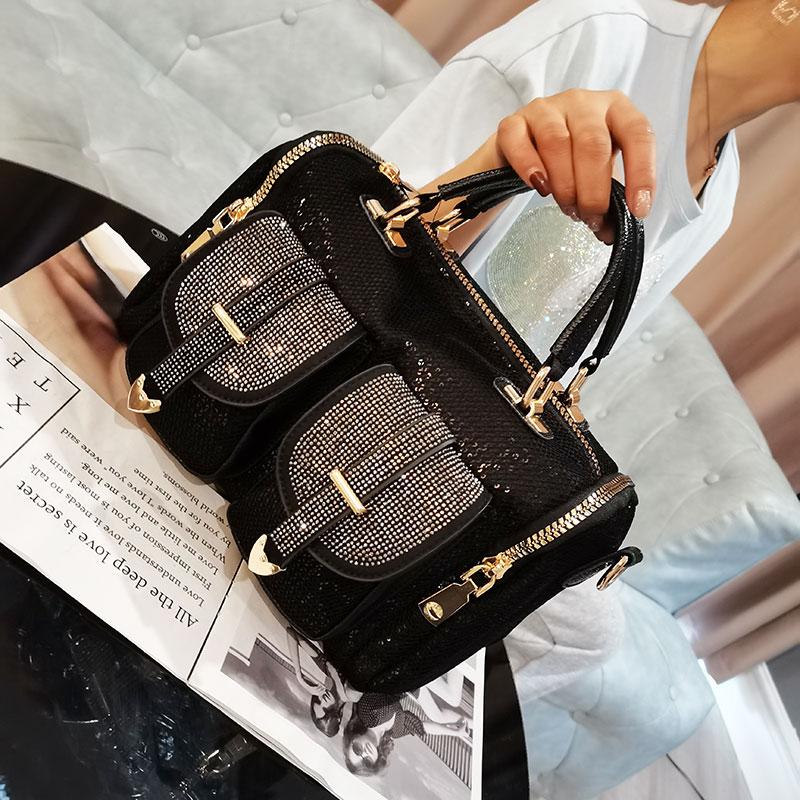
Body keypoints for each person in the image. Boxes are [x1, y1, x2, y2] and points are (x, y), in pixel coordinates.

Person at [342, 675, 471, 776]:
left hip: (406, 673)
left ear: (354, 738)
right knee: (439, 716)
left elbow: (389, 682)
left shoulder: (367, 714)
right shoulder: (392, 733)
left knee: (452, 698)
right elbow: (423, 727)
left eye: (357, 749)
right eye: (367, 762)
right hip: (412, 685)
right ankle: (473, 725)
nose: (364, 753)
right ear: (376, 762)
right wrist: (456, 733)